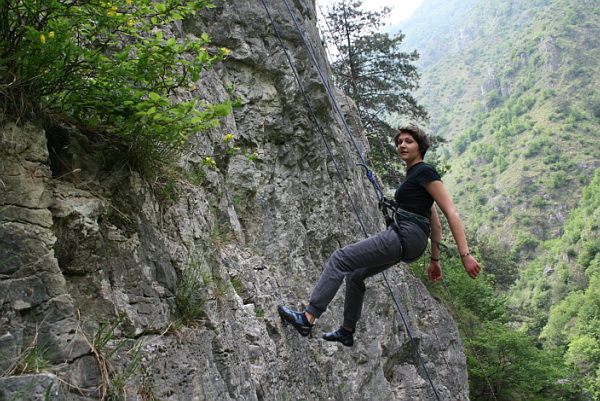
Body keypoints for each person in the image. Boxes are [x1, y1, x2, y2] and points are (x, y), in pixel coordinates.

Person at [278, 125, 481, 347]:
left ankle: (308, 318)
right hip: (412, 240)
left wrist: (465, 255)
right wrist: (434, 261)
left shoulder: (425, 171)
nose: (402, 145)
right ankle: (347, 330)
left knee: (340, 258)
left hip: (405, 235)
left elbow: (450, 212)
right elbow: (435, 222)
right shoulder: (415, 175)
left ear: (420, 147)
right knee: (355, 274)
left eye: (409, 141)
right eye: (399, 142)